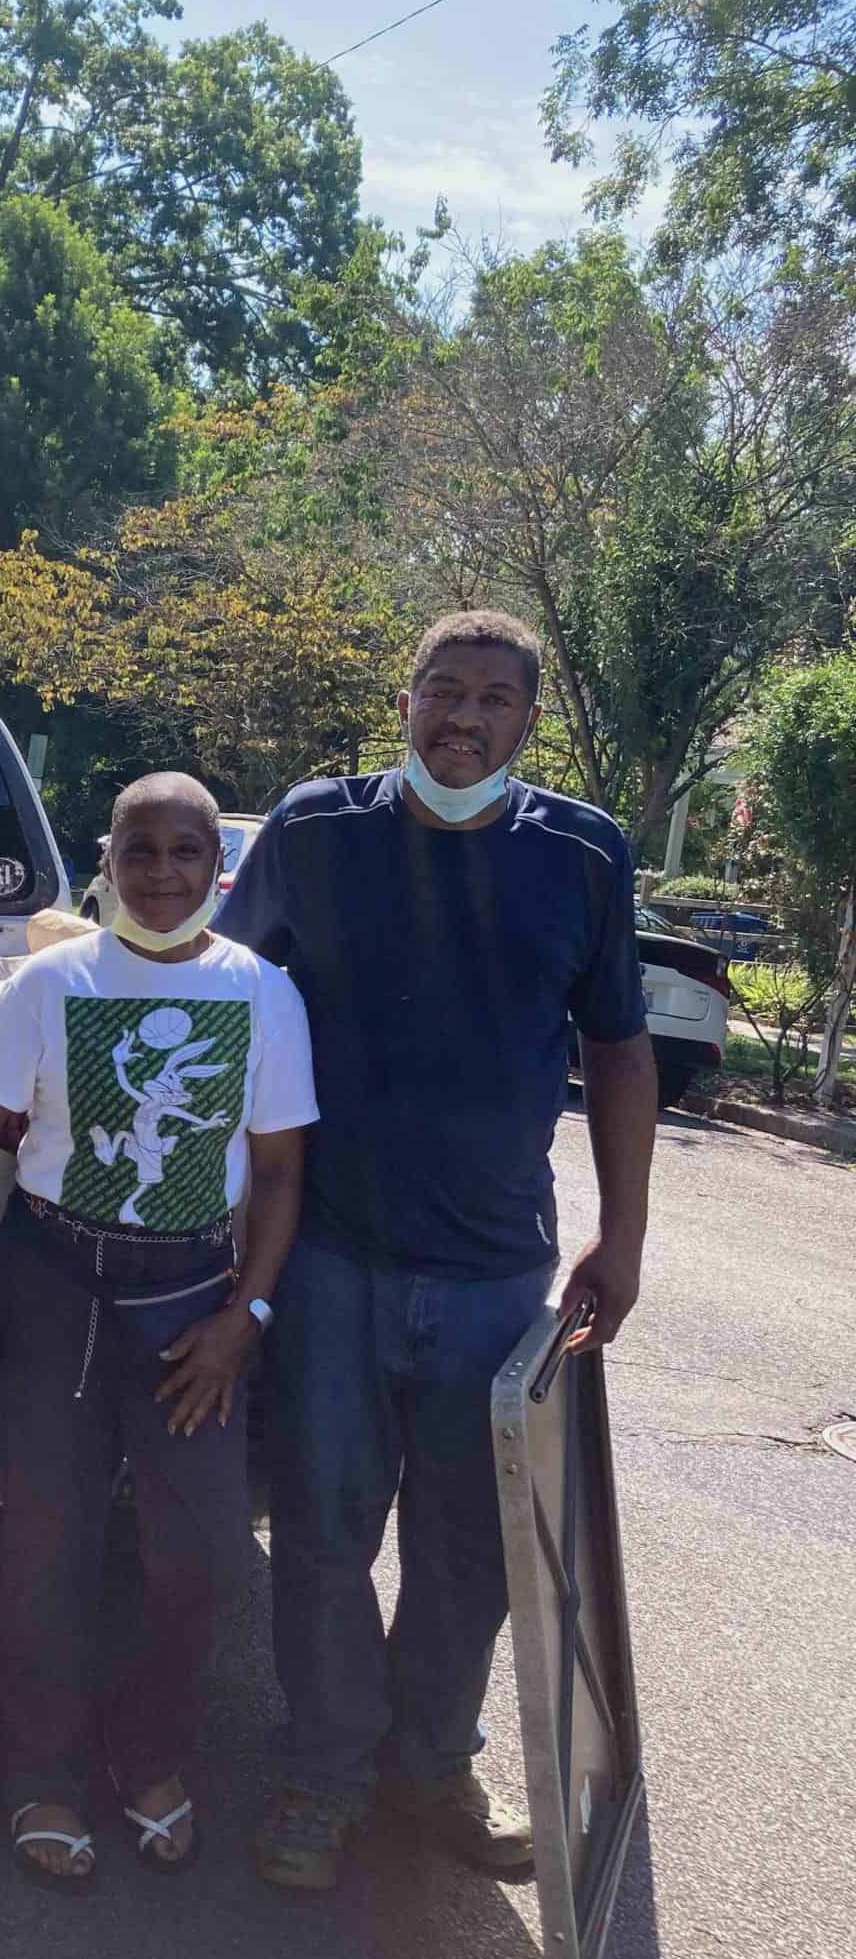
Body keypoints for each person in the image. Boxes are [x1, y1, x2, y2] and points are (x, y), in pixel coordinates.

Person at [216, 610, 657, 1892]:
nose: (463, 717)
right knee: (322, 1527)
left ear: (529, 720)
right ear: (403, 698)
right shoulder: (317, 829)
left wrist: (620, 1239)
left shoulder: (582, 853)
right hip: (330, 1255)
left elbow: (621, 1051)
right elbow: (228, 997)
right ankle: (323, 1768)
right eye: (442, 690)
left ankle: (429, 1765)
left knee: (472, 1548)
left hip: (495, 1274)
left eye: (494, 700)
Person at [0, 774, 317, 1891]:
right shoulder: (52, 983)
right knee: (46, 1552)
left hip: (191, 1300)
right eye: (139, 850)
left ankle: (145, 1753)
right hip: (52, 1280)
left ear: (216, 867)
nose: (161, 873)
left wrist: (243, 1318)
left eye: (185, 852)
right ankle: (39, 1775)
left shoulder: (264, 994)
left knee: (194, 1559)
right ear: (106, 859)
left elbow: (284, 1172)